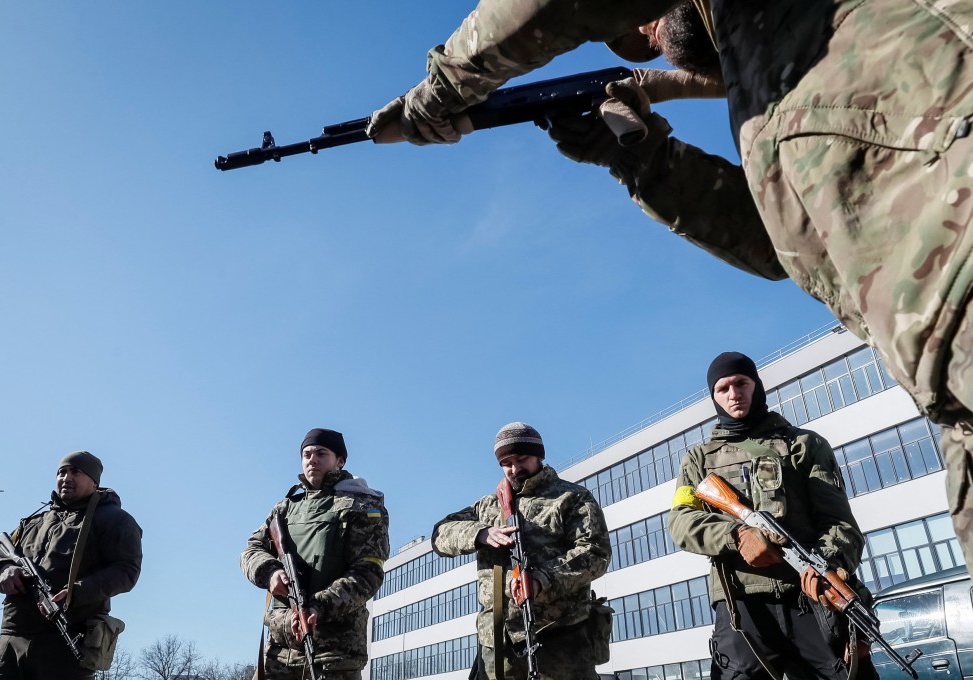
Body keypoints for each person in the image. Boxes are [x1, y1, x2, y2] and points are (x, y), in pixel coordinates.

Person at [365, 0, 973, 576]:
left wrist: (442, 89)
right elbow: (784, 244)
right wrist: (645, 161)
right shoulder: (763, 72)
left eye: (639, 20)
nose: (649, 40)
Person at [668, 352, 876, 680]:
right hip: (742, 604)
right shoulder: (698, 460)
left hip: (809, 596)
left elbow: (840, 524)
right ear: (714, 398)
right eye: (723, 388)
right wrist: (737, 536)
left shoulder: (804, 445)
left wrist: (826, 569)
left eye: (741, 383)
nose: (733, 393)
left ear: (757, 386)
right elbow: (681, 523)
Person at [431, 422, 611, 680]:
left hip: (561, 638)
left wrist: (543, 578)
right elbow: (440, 534)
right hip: (498, 644)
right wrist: (480, 534)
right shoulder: (488, 506)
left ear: (539, 455)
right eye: (506, 463)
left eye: (521, 459)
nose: (514, 469)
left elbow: (595, 553)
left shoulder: (572, 498)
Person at [241, 428, 390, 680]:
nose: (312, 459)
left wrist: (319, 606)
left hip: (334, 655)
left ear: (339, 460)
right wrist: (271, 573)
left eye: (321, 453)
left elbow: (368, 574)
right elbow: (251, 549)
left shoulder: (363, 506)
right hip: (281, 651)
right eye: (307, 454)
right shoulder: (286, 508)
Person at [0, 451, 143, 680]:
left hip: (67, 637)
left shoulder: (115, 520)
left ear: (94, 482)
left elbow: (127, 570)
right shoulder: (34, 522)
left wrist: (76, 592)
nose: (66, 478)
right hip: (13, 635)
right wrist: (2, 570)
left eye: (76, 472)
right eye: (61, 472)